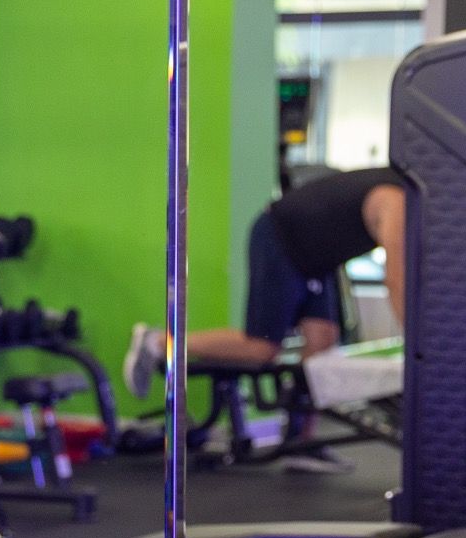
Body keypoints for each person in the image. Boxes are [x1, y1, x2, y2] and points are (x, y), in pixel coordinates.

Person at [123, 166, 408, 472]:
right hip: (279, 238)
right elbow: (397, 279)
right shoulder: (395, 200)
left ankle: (300, 442)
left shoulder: (407, 197)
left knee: (321, 343)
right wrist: (418, 348)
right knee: (261, 347)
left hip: (317, 256)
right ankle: (156, 342)